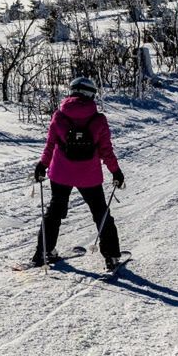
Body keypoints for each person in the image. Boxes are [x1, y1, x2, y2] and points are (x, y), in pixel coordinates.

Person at [30, 73, 126, 270]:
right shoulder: (98, 120)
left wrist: (42, 165)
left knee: (54, 213)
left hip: (60, 174)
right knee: (100, 212)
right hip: (88, 176)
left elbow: (50, 145)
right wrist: (116, 171)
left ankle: (43, 252)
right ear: (90, 95)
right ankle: (111, 256)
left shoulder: (59, 116)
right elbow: (106, 151)